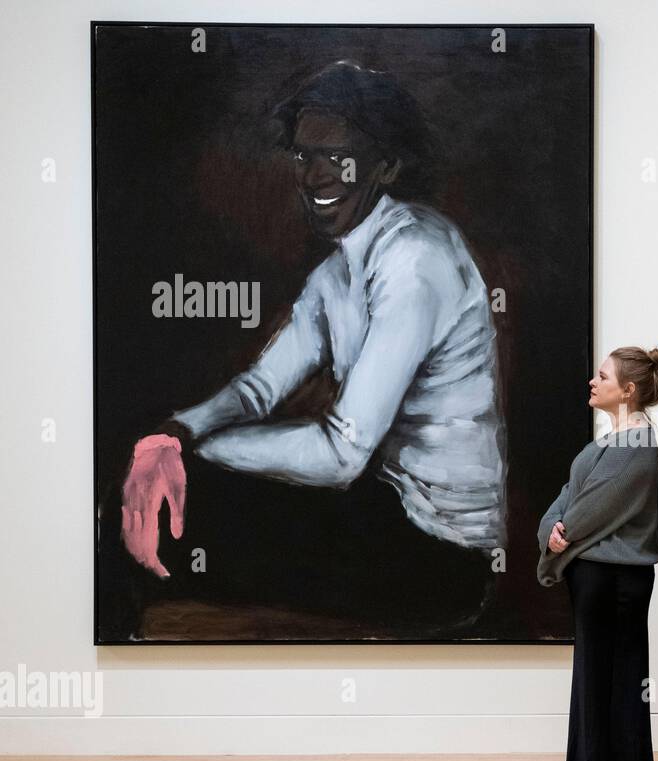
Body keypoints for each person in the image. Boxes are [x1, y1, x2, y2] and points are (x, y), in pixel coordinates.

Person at [103, 61, 506, 638]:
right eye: (301, 156)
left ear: (386, 165)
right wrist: (172, 434)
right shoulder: (336, 275)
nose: (313, 176)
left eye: (335, 157)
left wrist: (198, 455)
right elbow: (258, 389)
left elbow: (343, 452)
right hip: (382, 513)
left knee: (171, 507)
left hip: (439, 559)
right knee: (148, 490)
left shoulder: (417, 259)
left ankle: (122, 659)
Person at [538, 346, 658, 761]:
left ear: (628, 389)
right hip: (600, 583)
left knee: (617, 689)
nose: (593, 382)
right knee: (602, 686)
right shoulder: (610, 441)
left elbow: (586, 511)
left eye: (603, 375)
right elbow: (565, 503)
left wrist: (561, 534)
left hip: (617, 585)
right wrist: (552, 530)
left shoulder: (637, 446)